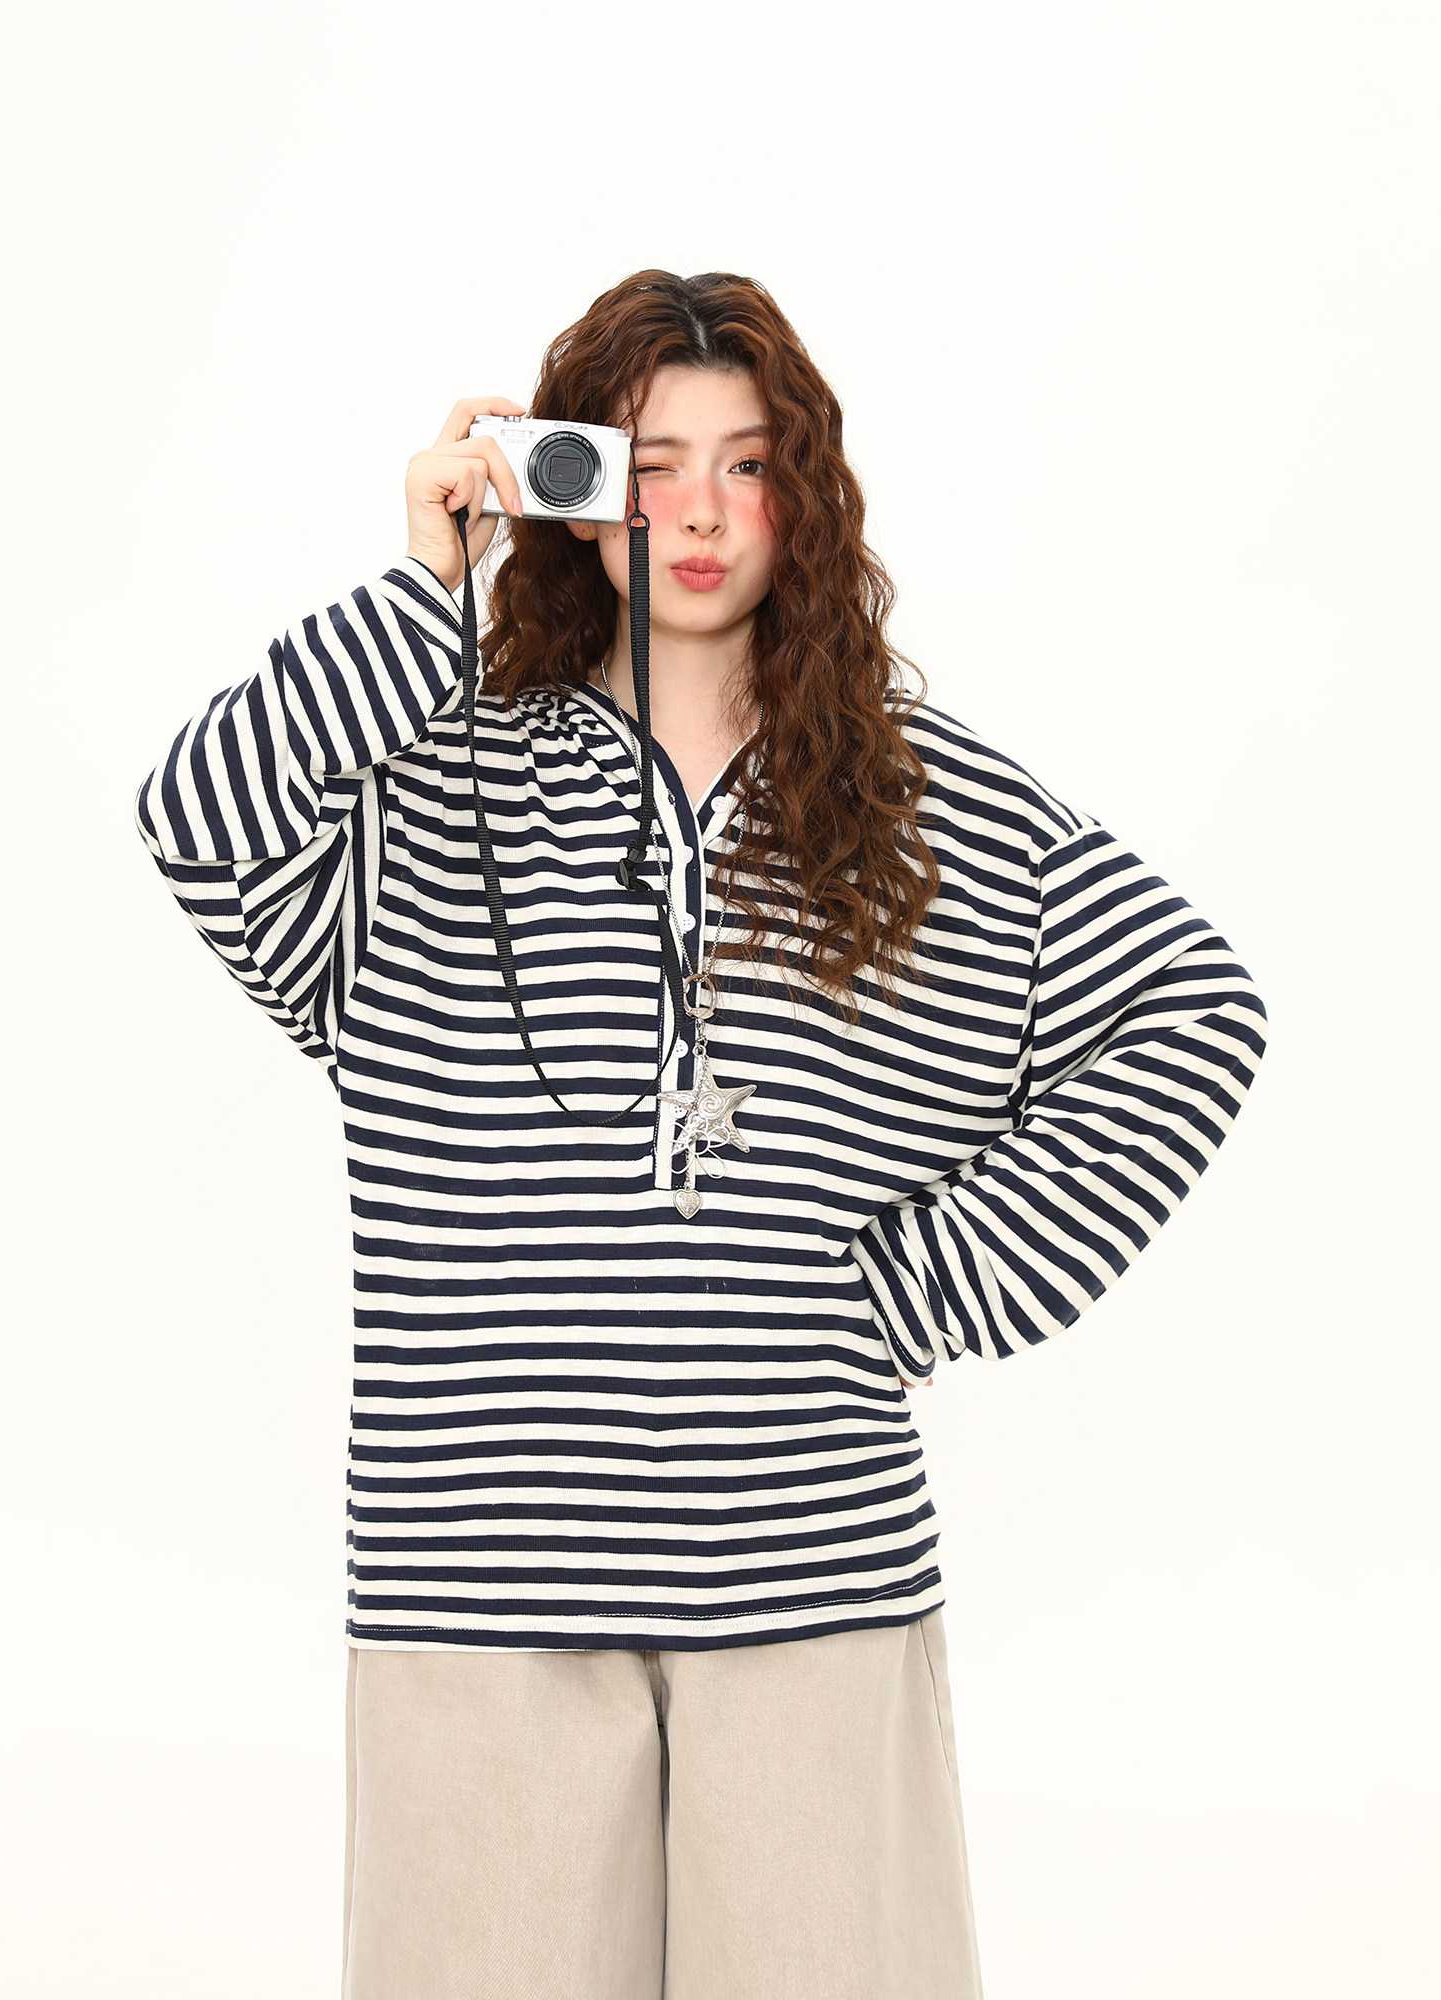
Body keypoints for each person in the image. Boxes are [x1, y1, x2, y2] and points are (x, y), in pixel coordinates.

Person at [134, 269, 1267, 1999]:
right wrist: (424, 593)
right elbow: (197, 820)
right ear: (566, 490)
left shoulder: (926, 801)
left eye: (751, 463)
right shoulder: (429, 782)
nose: (703, 513)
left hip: (814, 1575)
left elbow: (1193, 1008)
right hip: (480, 1589)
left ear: (806, 491)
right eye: (647, 465)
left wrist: (922, 1289)